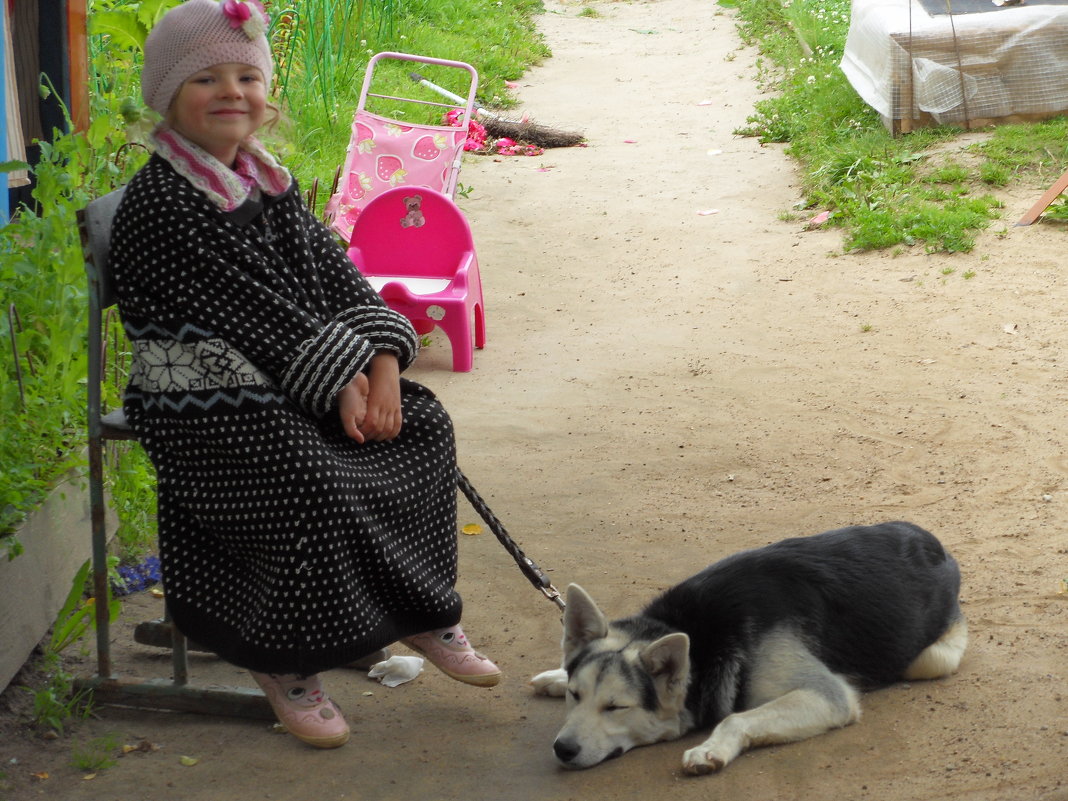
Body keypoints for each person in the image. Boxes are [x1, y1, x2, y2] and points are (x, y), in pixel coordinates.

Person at [109, 0, 500, 749]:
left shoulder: (268, 182)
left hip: (290, 375)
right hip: (199, 394)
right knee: (303, 471)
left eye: (246, 75)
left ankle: (415, 610)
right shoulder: (163, 203)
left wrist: (384, 360)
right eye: (206, 79)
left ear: (267, 94)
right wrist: (344, 381)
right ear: (166, 96)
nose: (231, 91)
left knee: (420, 423)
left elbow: (337, 278)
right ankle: (282, 658)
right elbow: (251, 311)